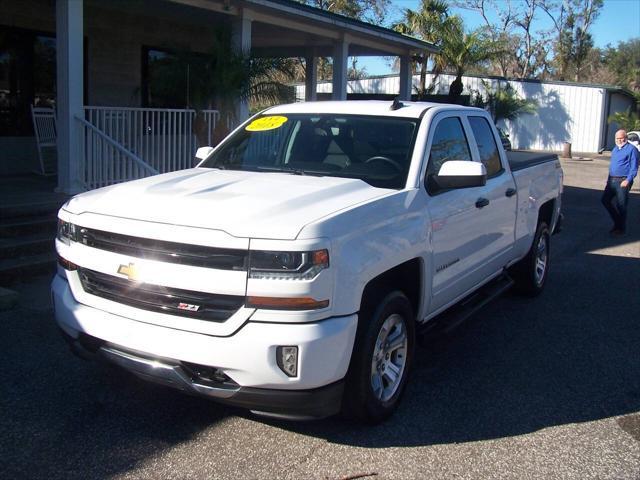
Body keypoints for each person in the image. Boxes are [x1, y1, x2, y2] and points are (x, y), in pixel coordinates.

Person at [601, 129, 639, 235]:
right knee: (605, 200)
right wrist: (608, 180)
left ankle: (620, 228)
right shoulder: (615, 149)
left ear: (626, 138)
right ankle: (618, 222)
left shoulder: (632, 149)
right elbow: (612, 166)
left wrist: (628, 180)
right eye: (617, 138)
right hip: (612, 180)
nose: (619, 140)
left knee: (621, 205)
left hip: (623, 180)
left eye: (621, 138)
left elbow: (634, 167)